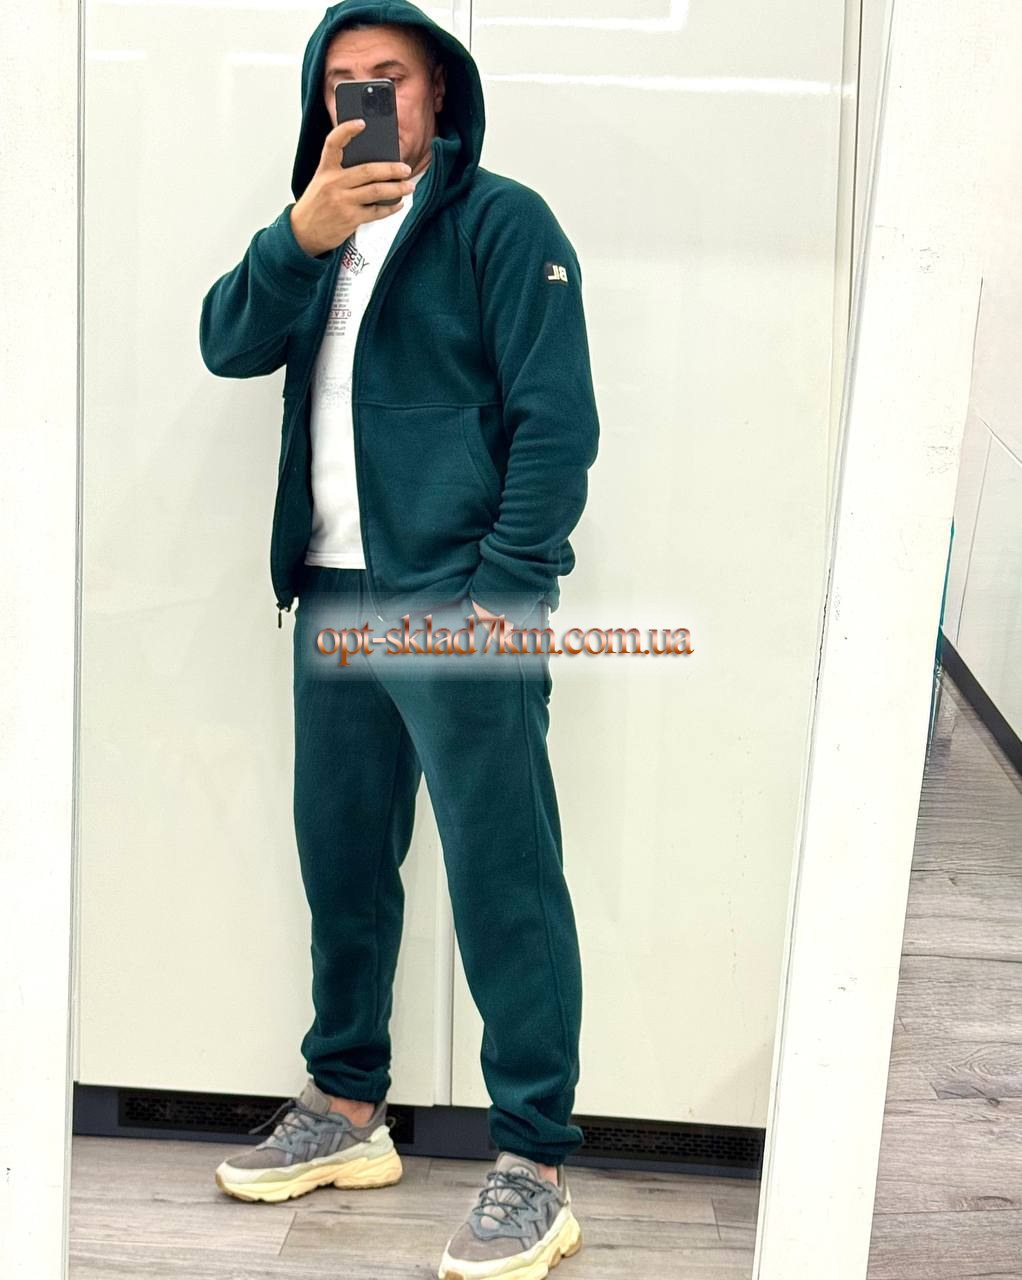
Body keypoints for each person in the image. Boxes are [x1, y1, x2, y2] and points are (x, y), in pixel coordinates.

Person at [198, 2, 600, 1275]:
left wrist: (502, 588)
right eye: (342, 83)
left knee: (502, 874)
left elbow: (556, 423)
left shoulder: (503, 223)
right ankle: (345, 1104)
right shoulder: (314, 228)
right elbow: (224, 342)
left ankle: (532, 1159)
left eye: (392, 78)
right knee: (343, 862)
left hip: (455, 602)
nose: (367, 100)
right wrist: (298, 234)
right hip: (331, 592)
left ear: (440, 94)